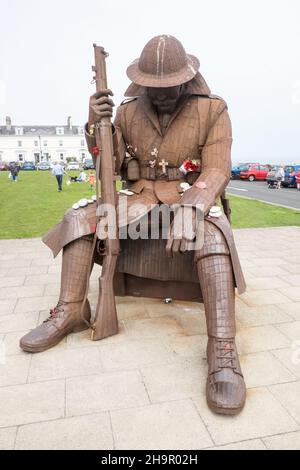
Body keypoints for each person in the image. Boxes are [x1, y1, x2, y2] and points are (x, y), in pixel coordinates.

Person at [20, 35, 247, 415]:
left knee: (210, 235)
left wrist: (195, 204)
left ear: (186, 78)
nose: (160, 94)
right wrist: (96, 123)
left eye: (169, 86)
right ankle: (72, 310)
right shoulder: (125, 111)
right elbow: (107, 162)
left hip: (187, 194)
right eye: (153, 87)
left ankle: (222, 347)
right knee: (79, 218)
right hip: (137, 197)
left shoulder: (213, 109)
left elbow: (218, 167)